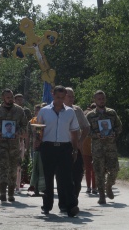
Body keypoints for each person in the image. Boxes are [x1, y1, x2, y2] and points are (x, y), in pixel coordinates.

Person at [37, 85, 80, 217]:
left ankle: (71, 206)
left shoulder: (70, 112)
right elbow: (38, 130)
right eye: (57, 97)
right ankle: (47, 205)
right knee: (47, 177)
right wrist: (36, 145)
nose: (60, 100)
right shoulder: (44, 111)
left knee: (66, 178)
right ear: (52, 94)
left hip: (64, 147)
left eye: (62, 97)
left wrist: (75, 149)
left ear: (65, 96)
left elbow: (74, 132)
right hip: (48, 147)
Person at [0, 89, 27, 202]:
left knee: (13, 168)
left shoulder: (19, 111)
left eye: (11, 97)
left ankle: (11, 193)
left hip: (14, 145)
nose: (10, 99)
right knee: (2, 167)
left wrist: (18, 133)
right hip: (1, 144)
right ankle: (2, 192)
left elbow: (24, 126)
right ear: (3, 98)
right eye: (8, 97)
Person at [86, 90, 122, 204]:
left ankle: (109, 185)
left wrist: (114, 133)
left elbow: (119, 126)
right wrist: (95, 135)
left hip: (111, 147)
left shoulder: (112, 113)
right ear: (95, 100)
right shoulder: (90, 115)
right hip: (97, 148)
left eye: (103, 98)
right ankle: (101, 195)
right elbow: (86, 131)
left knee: (114, 169)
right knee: (99, 171)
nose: (101, 101)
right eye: (99, 99)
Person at [63, 87, 90, 197]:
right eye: (69, 96)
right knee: (64, 176)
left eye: (73, 96)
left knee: (77, 175)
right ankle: (65, 200)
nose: (71, 98)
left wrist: (81, 140)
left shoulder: (77, 110)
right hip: (62, 147)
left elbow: (86, 127)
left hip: (76, 148)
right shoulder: (57, 110)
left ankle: (74, 199)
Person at [83, 103, 97, 194]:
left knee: (94, 168)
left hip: (96, 146)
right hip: (85, 146)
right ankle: (88, 187)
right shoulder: (85, 117)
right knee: (88, 168)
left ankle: (94, 187)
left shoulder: (98, 121)